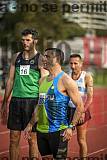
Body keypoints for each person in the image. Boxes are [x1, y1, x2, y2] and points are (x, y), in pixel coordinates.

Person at [24, 48, 84, 160]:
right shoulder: (42, 81)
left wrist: (71, 127)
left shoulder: (66, 80)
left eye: (47, 56)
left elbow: (80, 106)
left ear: (56, 59)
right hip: (41, 130)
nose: (43, 58)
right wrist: (30, 124)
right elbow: (40, 104)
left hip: (58, 131)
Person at [0, 28, 48, 160]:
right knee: (13, 138)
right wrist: (4, 103)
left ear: (35, 41)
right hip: (16, 101)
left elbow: (44, 87)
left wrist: (41, 106)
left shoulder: (41, 59)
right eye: (23, 40)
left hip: (32, 102)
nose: (25, 42)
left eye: (28, 40)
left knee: (32, 139)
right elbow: (10, 80)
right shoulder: (16, 57)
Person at [69, 54, 93, 159]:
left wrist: (82, 111)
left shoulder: (86, 77)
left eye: (75, 63)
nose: (73, 66)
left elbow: (90, 98)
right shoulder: (67, 76)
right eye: (71, 63)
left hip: (81, 110)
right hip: (68, 110)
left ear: (81, 64)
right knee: (63, 139)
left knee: (81, 140)